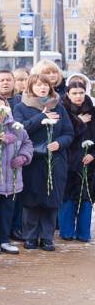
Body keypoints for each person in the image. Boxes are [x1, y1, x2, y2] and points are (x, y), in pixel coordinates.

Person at [13, 73, 74, 251]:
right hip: (33, 160)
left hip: (56, 160)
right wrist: (42, 117)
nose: (42, 88)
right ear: (31, 87)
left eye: (45, 85)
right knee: (32, 199)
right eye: (38, 85)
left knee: (51, 198)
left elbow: (69, 133)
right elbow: (21, 130)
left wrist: (59, 143)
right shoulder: (21, 107)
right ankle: (30, 236)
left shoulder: (59, 107)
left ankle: (47, 237)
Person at [0, 95, 32, 254]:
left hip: (12, 177)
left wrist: (23, 157)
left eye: (2, 105)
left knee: (7, 211)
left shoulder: (16, 126)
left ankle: (4, 239)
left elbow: (27, 143)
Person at [61, 80, 94, 242]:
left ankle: (83, 233)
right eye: (74, 93)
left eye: (81, 92)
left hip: (89, 161)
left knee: (86, 196)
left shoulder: (92, 111)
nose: (78, 96)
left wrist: (93, 155)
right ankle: (66, 232)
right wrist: (78, 122)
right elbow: (64, 134)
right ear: (68, 94)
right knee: (68, 196)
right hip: (68, 161)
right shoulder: (63, 110)